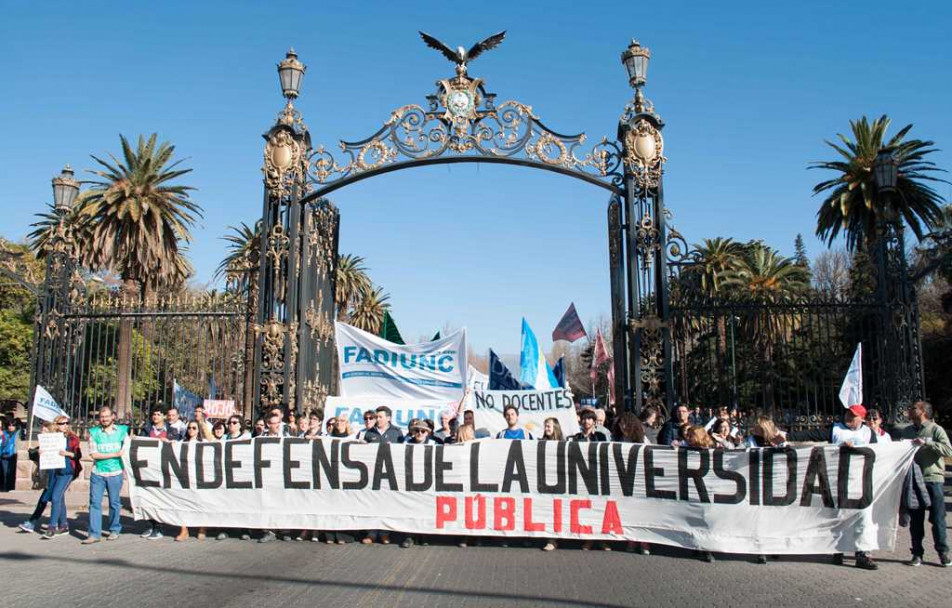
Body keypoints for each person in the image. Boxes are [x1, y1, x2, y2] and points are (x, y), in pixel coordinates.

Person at [900, 400, 952, 567]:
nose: (910, 409)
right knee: (916, 520)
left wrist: (928, 443)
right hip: (914, 481)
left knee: (938, 519)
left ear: (922, 411)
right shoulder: (907, 431)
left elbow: (948, 450)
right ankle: (917, 553)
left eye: (913, 407)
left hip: (933, 479)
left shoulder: (936, 429)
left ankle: (943, 553)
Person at [83, 406, 128, 544]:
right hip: (98, 473)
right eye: (102, 417)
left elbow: (126, 449)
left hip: (115, 472)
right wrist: (114, 454)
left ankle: (114, 529)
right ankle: (94, 534)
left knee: (114, 503)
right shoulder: (94, 433)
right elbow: (94, 455)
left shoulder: (122, 431)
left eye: (107, 416)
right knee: (95, 503)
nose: (104, 419)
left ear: (112, 417)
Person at [361, 406, 402, 545]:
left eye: (380, 417)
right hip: (372, 475)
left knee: (387, 503)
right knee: (372, 503)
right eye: (376, 417)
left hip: (389, 475)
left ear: (388, 418)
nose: (377, 419)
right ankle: (371, 533)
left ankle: (385, 533)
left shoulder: (397, 433)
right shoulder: (369, 433)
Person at [139, 409, 181, 540]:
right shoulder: (146, 430)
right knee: (149, 497)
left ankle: (159, 528)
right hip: (148, 468)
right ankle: (150, 525)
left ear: (164, 416)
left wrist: (168, 443)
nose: (155, 416)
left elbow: (178, 448)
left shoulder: (172, 431)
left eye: (158, 414)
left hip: (163, 468)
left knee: (160, 498)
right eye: (154, 414)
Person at [39, 416, 83, 539]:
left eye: (67, 423)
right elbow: (45, 450)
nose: (65, 425)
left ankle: (52, 527)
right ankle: (63, 525)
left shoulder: (72, 438)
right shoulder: (52, 438)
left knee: (55, 497)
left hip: (67, 471)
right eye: (62, 423)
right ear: (56, 424)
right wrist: (42, 452)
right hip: (55, 470)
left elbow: (78, 455)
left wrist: (67, 453)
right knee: (60, 498)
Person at [400, 420, 439, 549]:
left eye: (422, 431)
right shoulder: (406, 443)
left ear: (427, 433)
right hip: (411, 479)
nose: (419, 433)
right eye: (417, 431)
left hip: (428, 480)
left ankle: (424, 535)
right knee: (410, 508)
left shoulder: (435, 444)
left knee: (426, 508)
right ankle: (409, 536)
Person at [18, 422, 56, 533]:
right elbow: (33, 455)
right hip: (47, 477)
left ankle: (32, 522)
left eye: (44, 431)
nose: (41, 433)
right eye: (41, 431)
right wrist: (34, 451)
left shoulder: (56, 444)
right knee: (56, 500)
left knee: (45, 499)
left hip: (55, 477)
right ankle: (60, 523)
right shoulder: (42, 445)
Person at [175, 422, 205, 541]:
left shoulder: (203, 444)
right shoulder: (182, 443)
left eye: (194, 428)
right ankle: (184, 529)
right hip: (185, 476)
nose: (191, 430)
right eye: (189, 428)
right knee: (183, 503)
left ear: (198, 430)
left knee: (201, 502)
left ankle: (202, 528)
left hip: (199, 477)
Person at [1, 417, 20, 492]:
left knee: (11, 472)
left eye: (12, 425)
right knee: (5, 472)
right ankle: (6, 487)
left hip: (13, 455)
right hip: (4, 455)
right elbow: (1, 443)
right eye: (9, 425)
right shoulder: (4, 433)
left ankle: (11, 487)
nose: (11, 427)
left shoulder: (18, 433)